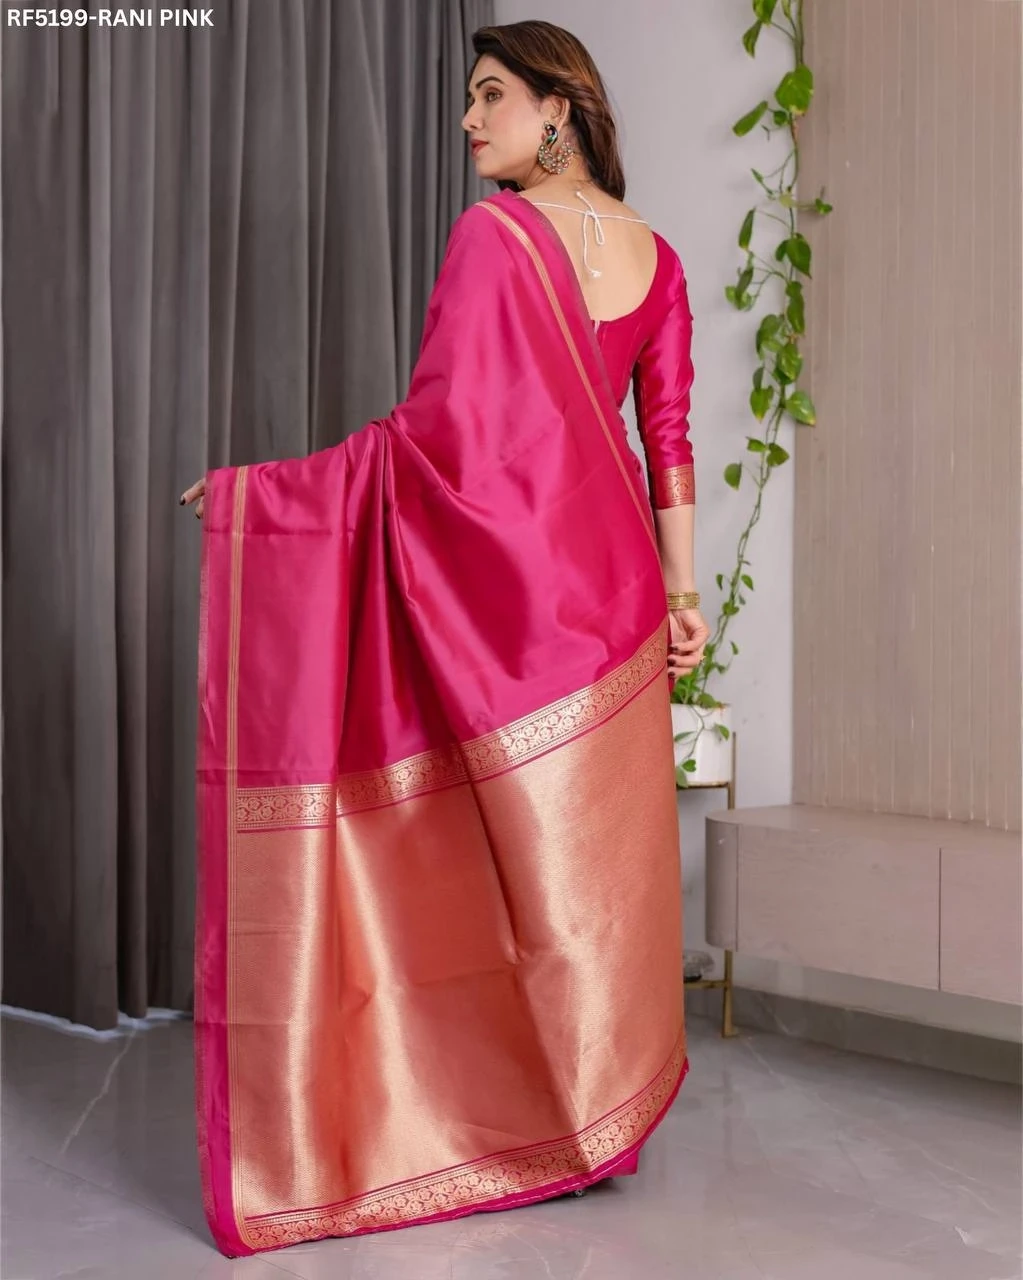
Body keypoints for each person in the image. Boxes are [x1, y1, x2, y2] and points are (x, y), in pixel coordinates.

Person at [180, 20, 707, 1259]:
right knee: (583, 888)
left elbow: (434, 438)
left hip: (508, 605)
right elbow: (668, 438)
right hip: (616, 606)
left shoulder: (493, 236)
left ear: (557, 108)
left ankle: (483, 1121)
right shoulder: (661, 257)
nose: (469, 121)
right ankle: (590, 1124)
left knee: (475, 865)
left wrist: (272, 497)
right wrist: (683, 596)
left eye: (490, 95)